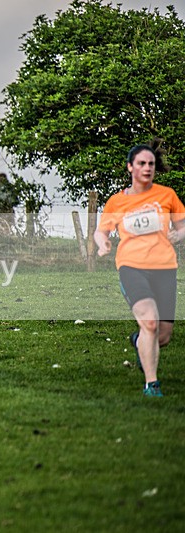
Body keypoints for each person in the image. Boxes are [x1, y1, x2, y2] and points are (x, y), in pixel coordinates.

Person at [94, 142, 185, 397]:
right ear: (130, 167)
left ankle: (138, 341)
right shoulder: (117, 201)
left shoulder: (167, 195)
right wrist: (103, 244)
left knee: (163, 335)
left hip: (165, 268)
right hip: (131, 266)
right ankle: (151, 384)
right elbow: (100, 231)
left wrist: (179, 235)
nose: (147, 168)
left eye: (151, 164)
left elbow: (183, 225)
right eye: (142, 163)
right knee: (150, 321)